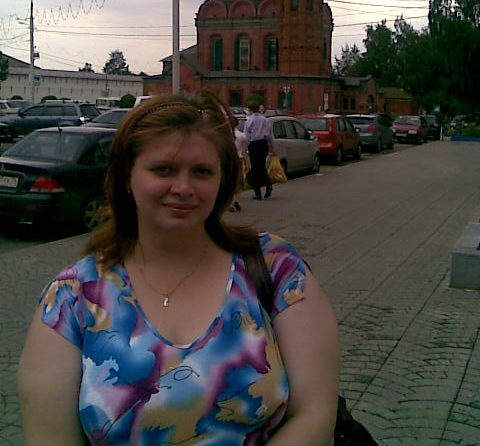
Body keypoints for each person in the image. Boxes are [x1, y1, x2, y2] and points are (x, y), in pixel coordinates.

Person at [18, 90, 340, 445]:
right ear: (127, 177)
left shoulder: (276, 269)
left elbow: (315, 414)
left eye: (202, 171)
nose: (183, 187)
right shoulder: (72, 298)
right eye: (164, 169)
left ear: (222, 180)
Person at [244, 100, 275, 200]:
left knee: (254, 168)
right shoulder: (265, 120)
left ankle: (257, 192)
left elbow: (247, 137)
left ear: (250, 110)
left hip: (254, 145)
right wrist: (273, 148)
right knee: (261, 166)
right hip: (263, 144)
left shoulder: (249, 121)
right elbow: (270, 135)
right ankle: (268, 184)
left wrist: (246, 148)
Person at [230, 115, 247, 212]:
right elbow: (244, 152)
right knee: (237, 181)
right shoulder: (242, 135)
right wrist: (247, 163)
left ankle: (230, 203)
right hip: (238, 159)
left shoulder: (225, 135)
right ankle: (236, 200)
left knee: (229, 181)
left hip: (228, 160)